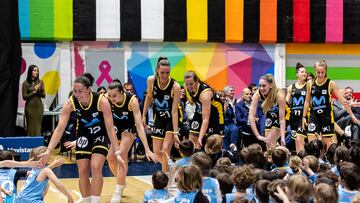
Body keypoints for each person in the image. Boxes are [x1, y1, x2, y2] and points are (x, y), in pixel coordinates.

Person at [38, 74, 121, 203]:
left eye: (80, 91)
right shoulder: (71, 102)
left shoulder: (102, 101)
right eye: (75, 91)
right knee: (82, 170)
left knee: (95, 167)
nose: (77, 94)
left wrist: (117, 151)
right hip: (83, 136)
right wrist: (49, 151)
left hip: (100, 135)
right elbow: (60, 128)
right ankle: (86, 200)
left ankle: (95, 201)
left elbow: (110, 128)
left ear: (89, 89)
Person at [106, 79, 159, 202]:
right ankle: (121, 181)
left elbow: (139, 125)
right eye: (109, 95)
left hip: (130, 128)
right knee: (110, 158)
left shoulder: (132, 101)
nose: (111, 98)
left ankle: (118, 190)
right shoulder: (107, 100)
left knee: (122, 153)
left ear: (121, 92)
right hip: (116, 127)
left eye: (114, 95)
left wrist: (147, 149)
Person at [302, 60, 358, 149]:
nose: (320, 75)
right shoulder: (309, 83)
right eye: (318, 72)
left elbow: (343, 101)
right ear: (315, 71)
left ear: (326, 71)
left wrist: (352, 116)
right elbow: (307, 101)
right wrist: (304, 117)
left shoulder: (330, 83)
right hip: (314, 116)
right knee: (312, 143)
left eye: (322, 72)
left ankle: (328, 161)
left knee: (328, 144)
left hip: (326, 117)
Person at [142, 56, 181, 172]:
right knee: (157, 153)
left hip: (171, 119)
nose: (165, 75)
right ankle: (173, 169)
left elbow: (174, 111)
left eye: (167, 73)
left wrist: (175, 132)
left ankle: (166, 178)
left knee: (165, 149)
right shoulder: (151, 80)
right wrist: (143, 115)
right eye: (162, 72)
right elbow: (149, 97)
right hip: (158, 118)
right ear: (157, 70)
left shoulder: (176, 87)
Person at [184, 71, 224, 148]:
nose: (189, 87)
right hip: (200, 111)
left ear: (196, 81)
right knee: (192, 141)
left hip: (215, 115)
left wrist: (200, 137)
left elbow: (205, 120)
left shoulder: (205, 94)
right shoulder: (189, 88)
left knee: (213, 145)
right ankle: (193, 158)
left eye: (191, 84)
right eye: (187, 84)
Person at [249, 74, 286, 149]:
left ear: (271, 85)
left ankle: (278, 152)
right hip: (271, 114)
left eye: (264, 85)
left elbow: (282, 119)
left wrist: (282, 137)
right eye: (260, 85)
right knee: (268, 144)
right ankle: (277, 149)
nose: (261, 88)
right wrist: (257, 135)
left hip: (284, 116)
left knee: (269, 142)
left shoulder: (280, 94)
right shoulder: (257, 94)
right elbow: (251, 116)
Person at [286, 63, 308, 152]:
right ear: (297, 74)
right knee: (296, 141)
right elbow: (287, 101)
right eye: (302, 72)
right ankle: (299, 161)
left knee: (300, 140)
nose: (304, 74)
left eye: (305, 72)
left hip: (303, 117)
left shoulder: (309, 86)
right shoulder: (291, 87)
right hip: (293, 117)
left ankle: (303, 161)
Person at [22, 65, 46, 136]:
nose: (36, 72)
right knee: (30, 127)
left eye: (37, 71)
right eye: (34, 70)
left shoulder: (40, 82)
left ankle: (37, 145)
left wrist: (38, 90)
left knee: (38, 127)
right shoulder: (26, 83)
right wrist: (34, 91)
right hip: (30, 108)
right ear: (30, 71)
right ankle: (30, 144)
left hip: (39, 107)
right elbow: (24, 97)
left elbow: (44, 95)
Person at [223, 86, 239, 151]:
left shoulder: (233, 102)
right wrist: (225, 108)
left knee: (235, 129)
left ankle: (233, 147)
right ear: (226, 92)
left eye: (233, 90)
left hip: (230, 122)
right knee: (226, 130)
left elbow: (232, 115)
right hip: (223, 122)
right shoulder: (221, 102)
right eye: (231, 91)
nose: (233, 92)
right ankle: (226, 149)